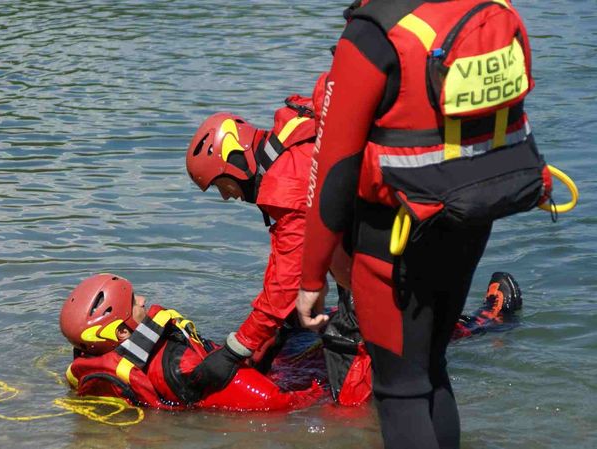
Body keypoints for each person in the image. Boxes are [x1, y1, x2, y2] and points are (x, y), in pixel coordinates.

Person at [296, 1, 551, 448]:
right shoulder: (488, 7)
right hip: (471, 213)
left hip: (393, 233)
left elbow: (333, 169)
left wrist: (311, 275)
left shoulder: (372, 32)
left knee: (400, 388)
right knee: (432, 368)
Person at [184, 87, 372, 403]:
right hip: (382, 237)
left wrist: (234, 351)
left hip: (387, 253)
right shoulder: (287, 149)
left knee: (348, 372)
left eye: (221, 185)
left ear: (235, 161)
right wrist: (262, 337)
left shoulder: (287, 185)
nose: (226, 196)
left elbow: (286, 283)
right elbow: (285, 260)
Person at [59, 273, 322, 411]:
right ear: (122, 334)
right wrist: (320, 392)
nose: (142, 300)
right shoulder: (179, 364)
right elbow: (277, 402)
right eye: (132, 302)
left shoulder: (91, 366)